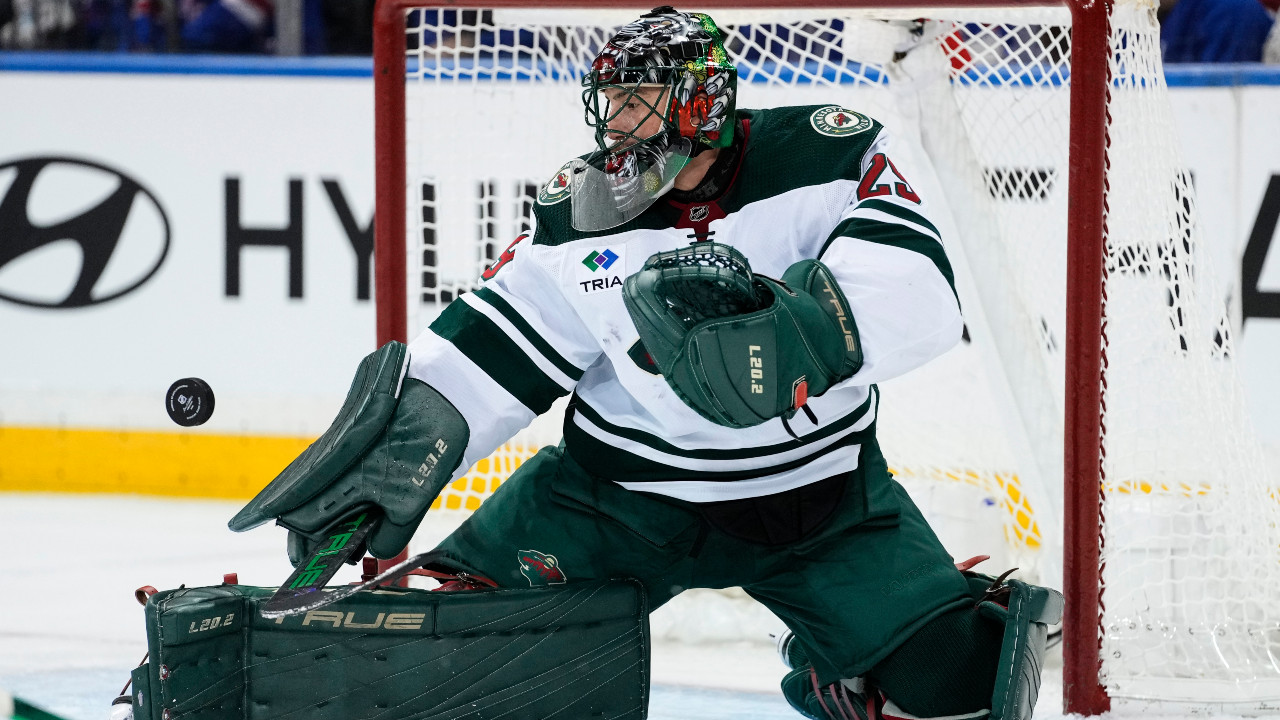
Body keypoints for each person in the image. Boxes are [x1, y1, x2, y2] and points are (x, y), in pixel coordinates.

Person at [230, 7, 1062, 720]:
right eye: (613, 102)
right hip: (613, 504)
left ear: (702, 99)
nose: (620, 122)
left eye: (641, 98)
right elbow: (499, 344)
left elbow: (916, 286)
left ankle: (841, 670)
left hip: (822, 502)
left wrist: (806, 332)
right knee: (455, 664)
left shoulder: (821, 154)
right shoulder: (580, 211)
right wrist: (403, 448)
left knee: (961, 687)